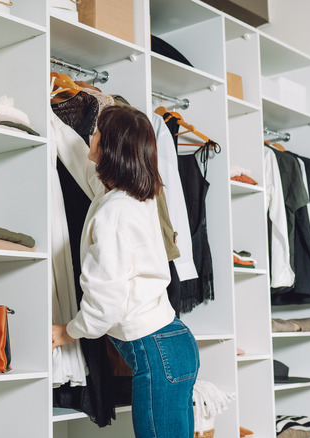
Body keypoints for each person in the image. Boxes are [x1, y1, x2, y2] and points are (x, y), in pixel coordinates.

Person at [52, 105, 200, 438]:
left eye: (96, 133)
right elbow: (85, 168)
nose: (90, 136)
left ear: (110, 148)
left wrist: (68, 332)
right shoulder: (135, 197)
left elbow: (106, 302)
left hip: (156, 352)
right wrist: (55, 126)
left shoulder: (113, 215)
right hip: (174, 342)